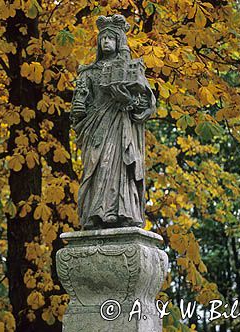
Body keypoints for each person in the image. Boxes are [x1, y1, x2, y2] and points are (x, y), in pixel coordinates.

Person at [71, 14, 156, 230]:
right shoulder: (89, 72)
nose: (106, 42)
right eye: (103, 39)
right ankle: (95, 213)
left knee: (120, 167)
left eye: (111, 38)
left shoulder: (131, 70)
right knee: (96, 167)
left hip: (120, 127)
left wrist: (127, 99)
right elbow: (79, 107)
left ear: (119, 42)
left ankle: (121, 212)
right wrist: (79, 107)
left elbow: (145, 103)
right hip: (96, 127)